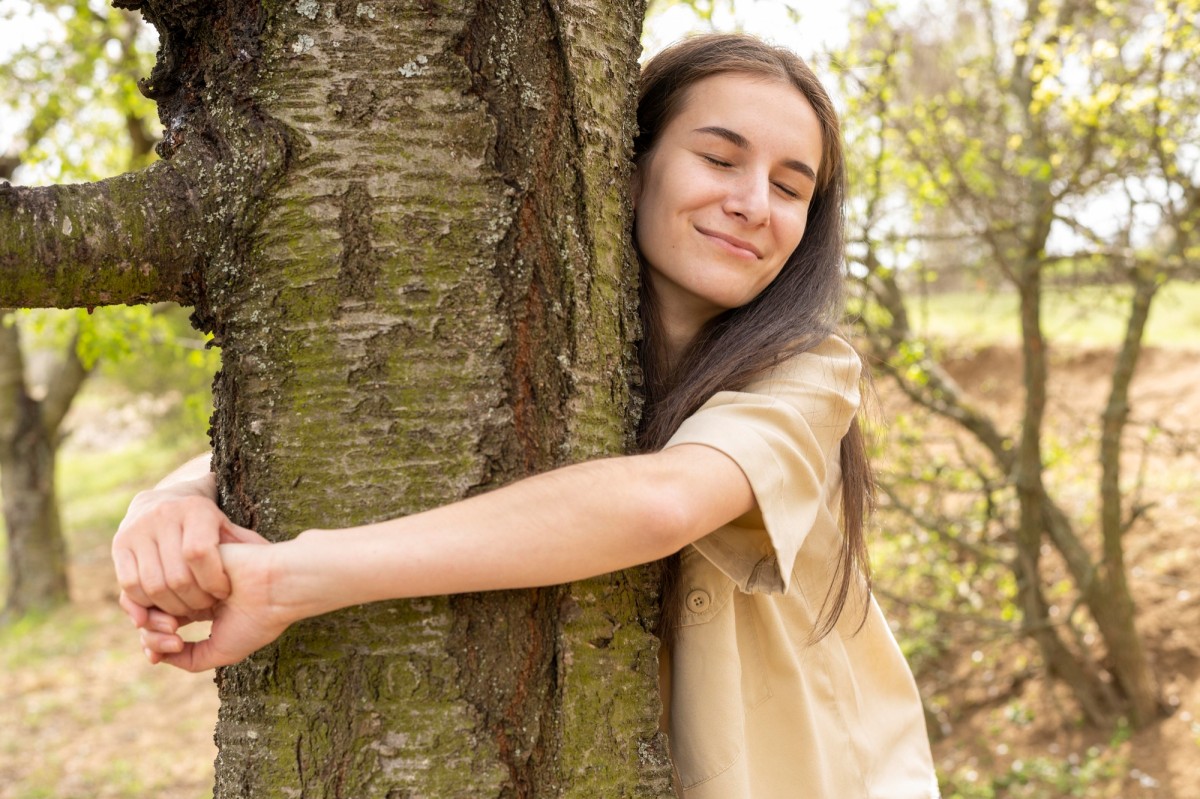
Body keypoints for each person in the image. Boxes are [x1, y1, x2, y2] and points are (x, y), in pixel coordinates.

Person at [112, 33, 939, 799]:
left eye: (791, 187)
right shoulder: (546, 354)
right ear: (626, 158)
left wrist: (291, 578)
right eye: (720, 158)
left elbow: (661, 501)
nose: (754, 202)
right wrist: (178, 497)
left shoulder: (807, 372)